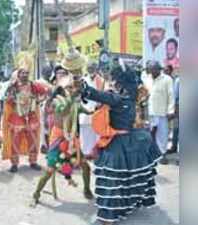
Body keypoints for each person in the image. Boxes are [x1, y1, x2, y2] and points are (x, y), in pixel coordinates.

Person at [78, 64, 162, 225]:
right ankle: (130, 203)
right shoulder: (131, 98)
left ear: (120, 83)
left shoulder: (117, 98)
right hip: (132, 140)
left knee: (113, 180)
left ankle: (109, 217)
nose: (112, 83)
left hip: (118, 144)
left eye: (114, 81)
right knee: (129, 176)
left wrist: (83, 87)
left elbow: (97, 95)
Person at [2, 61, 49, 173]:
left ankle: (33, 161)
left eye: (26, 73)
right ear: (18, 74)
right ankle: (14, 164)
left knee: (33, 139)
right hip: (17, 117)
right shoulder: (13, 86)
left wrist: (38, 101)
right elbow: (6, 97)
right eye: (22, 73)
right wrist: (13, 100)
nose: (24, 75)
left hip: (31, 116)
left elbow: (45, 93)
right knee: (15, 140)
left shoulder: (33, 85)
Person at [60, 50, 95, 199]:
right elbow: (61, 109)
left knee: (83, 161)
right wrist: (71, 96)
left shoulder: (86, 83)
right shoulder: (62, 85)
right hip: (64, 127)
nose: (77, 71)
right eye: (74, 69)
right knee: (59, 160)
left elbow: (88, 103)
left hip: (79, 128)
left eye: (79, 69)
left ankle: (87, 188)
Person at [146, 61, 175, 164]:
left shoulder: (167, 79)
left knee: (162, 135)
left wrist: (171, 111)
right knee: (150, 134)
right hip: (150, 112)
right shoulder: (148, 79)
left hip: (162, 112)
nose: (151, 72)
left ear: (158, 69)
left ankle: (162, 154)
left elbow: (171, 96)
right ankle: (152, 153)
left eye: (153, 69)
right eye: (150, 70)